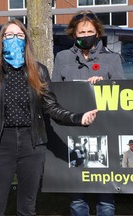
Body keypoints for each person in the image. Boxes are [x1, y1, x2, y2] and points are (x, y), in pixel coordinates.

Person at [0, 19, 97, 216]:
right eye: (9, 36)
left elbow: (52, 108)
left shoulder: (38, 71)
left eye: (19, 35)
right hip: (0, 145)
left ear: (26, 40)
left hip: (32, 144)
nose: (14, 39)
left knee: (27, 208)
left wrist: (78, 118)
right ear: (2, 41)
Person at [52, 10, 125, 216]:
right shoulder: (62, 58)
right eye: (81, 32)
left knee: (106, 198)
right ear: (74, 34)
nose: (86, 35)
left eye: (90, 31)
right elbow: (55, 94)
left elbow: (120, 96)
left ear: (98, 32)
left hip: (105, 132)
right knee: (77, 197)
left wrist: (105, 85)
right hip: (74, 133)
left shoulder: (112, 59)